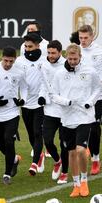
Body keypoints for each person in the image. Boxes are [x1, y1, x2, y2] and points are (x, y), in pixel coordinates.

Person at [51, 43, 100, 197]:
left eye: (75, 58)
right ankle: (76, 184)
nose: (73, 61)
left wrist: (90, 102)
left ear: (80, 57)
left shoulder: (90, 71)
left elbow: (98, 89)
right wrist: (66, 102)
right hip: (67, 118)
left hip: (85, 116)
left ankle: (84, 181)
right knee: (71, 152)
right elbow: (53, 94)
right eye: (70, 58)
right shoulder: (59, 74)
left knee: (80, 150)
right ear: (66, 57)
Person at [0, 46, 27, 185]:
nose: (8, 64)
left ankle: (7, 174)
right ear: (1, 58)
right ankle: (14, 159)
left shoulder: (19, 72)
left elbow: (24, 88)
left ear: (15, 59)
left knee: (9, 140)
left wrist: (23, 100)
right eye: (6, 61)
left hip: (12, 112)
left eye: (11, 61)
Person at [38, 40, 69, 184]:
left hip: (64, 111)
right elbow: (44, 85)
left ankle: (64, 172)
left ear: (60, 53)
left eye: (53, 53)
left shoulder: (67, 65)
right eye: (49, 53)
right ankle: (57, 161)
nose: (50, 56)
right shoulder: (44, 65)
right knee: (48, 141)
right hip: (50, 110)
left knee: (64, 143)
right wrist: (42, 97)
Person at [15, 32, 45, 176]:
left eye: (30, 46)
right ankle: (40, 155)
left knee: (38, 132)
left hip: (40, 103)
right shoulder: (19, 61)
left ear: (38, 46)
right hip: (26, 104)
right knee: (31, 134)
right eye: (26, 46)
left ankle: (34, 163)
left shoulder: (45, 60)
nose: (28, 49)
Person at [78, 25, 102, 175]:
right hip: (81, 97)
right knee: (82, 126)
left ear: (92, 37)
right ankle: (87, 149)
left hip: (98, 96)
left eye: (86, 38)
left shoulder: (99, 51)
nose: (83, 40)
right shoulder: (76, 51)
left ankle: (95, 159)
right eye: (81, 38)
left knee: (94, 127)